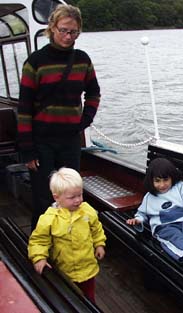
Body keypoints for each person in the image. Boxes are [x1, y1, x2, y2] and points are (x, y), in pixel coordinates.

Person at [17, 4, 101, 231]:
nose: (68, 36)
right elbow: (24, 108)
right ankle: (41, 245)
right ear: (52, 28)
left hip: (70, 141)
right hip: (41, 141)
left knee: (71, 195)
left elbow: (94, 92)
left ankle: (70, 239)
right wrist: (28, 150)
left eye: (73, 32)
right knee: (45, 196)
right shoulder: (35, 62)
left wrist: (85, 120)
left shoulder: (82, 60)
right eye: (63, 30)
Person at [28, 167, 106, 303]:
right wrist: (39, 258)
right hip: (64, 271)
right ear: (56, 197)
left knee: (89, 300)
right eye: (72, 197)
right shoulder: (49, 219)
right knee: (66, 300)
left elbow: (96, 228)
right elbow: (39, 241)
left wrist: (99, 244)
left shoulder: (87, 211)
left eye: (80, 195)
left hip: (87, 268)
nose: (78, 200)